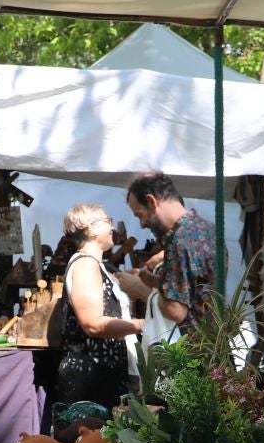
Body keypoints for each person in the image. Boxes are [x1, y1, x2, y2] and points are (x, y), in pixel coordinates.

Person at [52, 202, 140, 415]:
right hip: (92, 378)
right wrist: (141, 325)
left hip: (103, 374)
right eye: (108, 221)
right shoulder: (85, 265)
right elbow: (93, 324)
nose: (112, 228)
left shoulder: (96, 265)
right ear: (91, 228)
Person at [121, 172, 216, 327]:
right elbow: (195, 288)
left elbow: (176, 311)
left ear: (151, 201)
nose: (142, 225)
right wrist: (152, 281)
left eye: (140, 215)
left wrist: (137, 288)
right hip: (214, 336)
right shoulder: (204, 227)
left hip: (192, 340)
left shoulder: (180, 240)